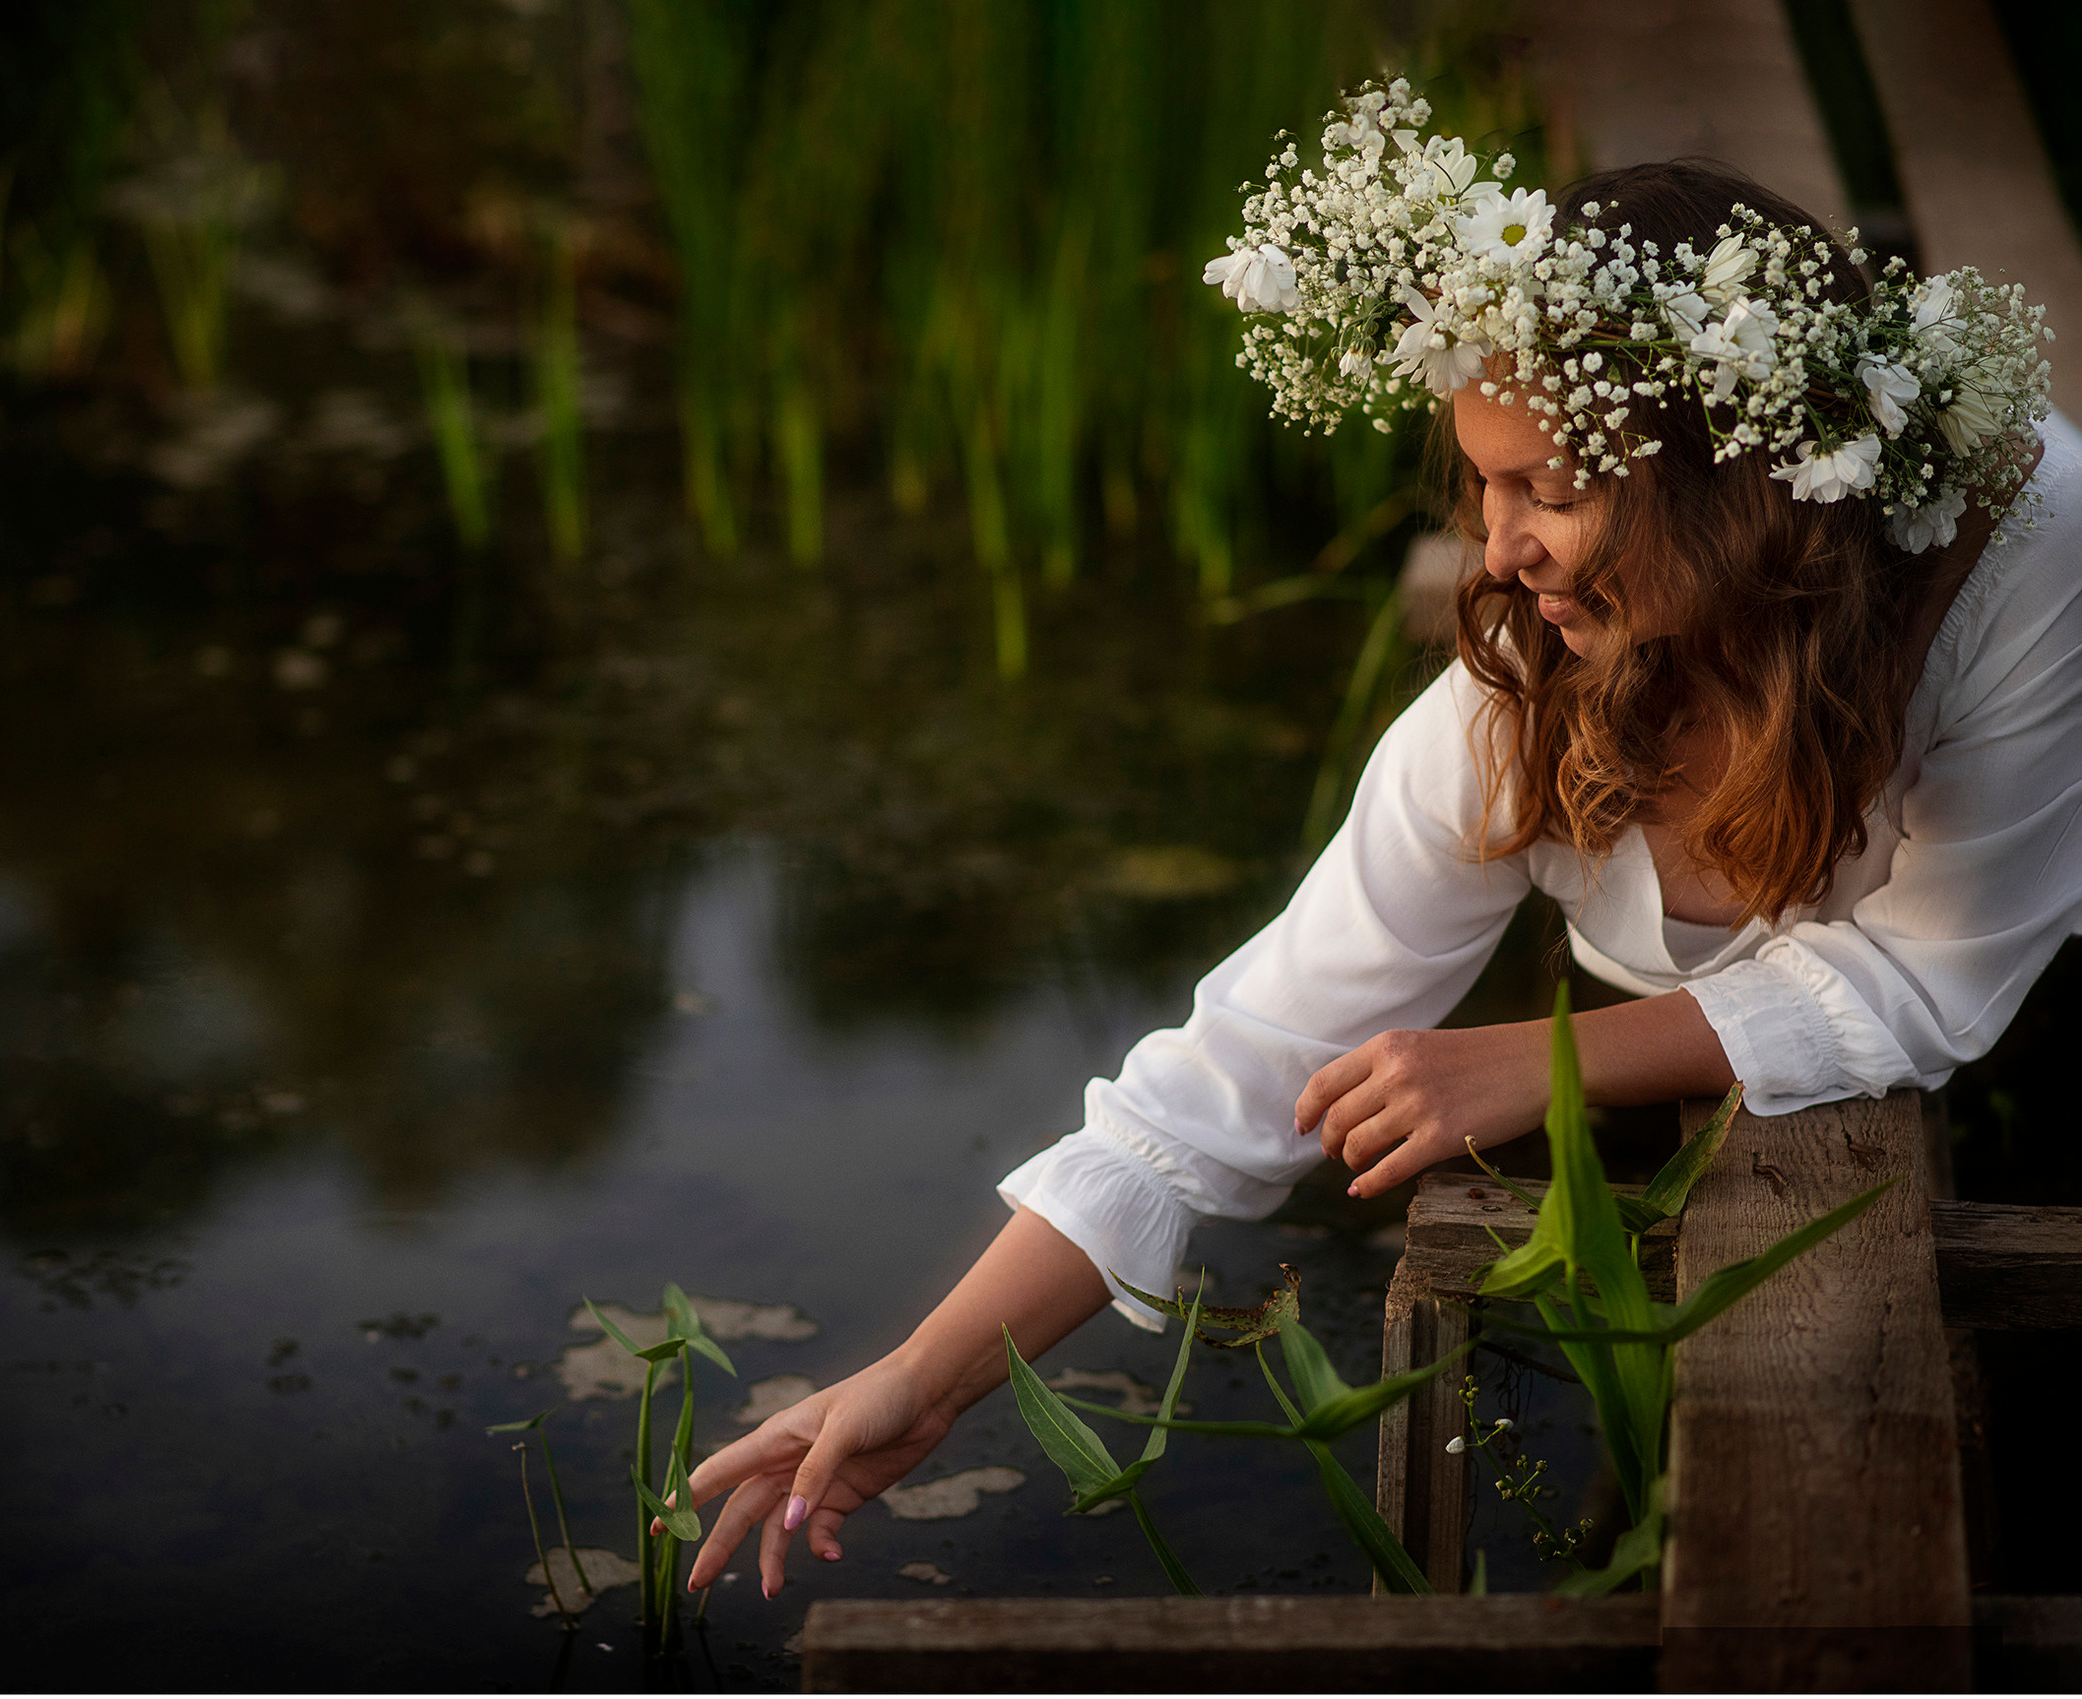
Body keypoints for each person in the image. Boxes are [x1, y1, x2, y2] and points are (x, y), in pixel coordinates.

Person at [681, 79, 2077, 1600]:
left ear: (1734, 492)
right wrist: (925, 1378)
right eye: (1481, 480)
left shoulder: (2022, 574)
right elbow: (1236, 1067)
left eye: (1551, 486)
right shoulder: (1509, 718)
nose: (1496, 551)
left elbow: (1934, 983)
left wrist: (1535, 1063)